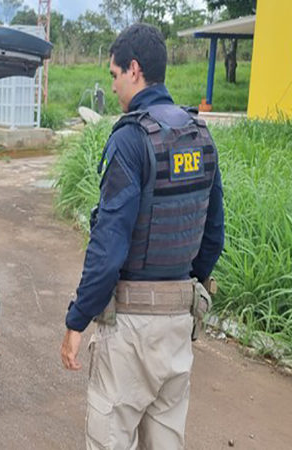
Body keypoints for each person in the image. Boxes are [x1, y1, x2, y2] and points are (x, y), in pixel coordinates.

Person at [59, 24, 224, 449]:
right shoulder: (200, 136)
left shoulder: (132, 140)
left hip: (131, 331)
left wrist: (77, 320)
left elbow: (109, 246)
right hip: (178, 326)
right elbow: (213, 235)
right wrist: (184, 290)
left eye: (114, 75)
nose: (112, 86)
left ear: (134, 70)